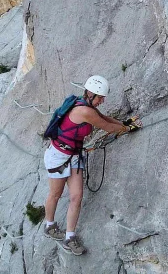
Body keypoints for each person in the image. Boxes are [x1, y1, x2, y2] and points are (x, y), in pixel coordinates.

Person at [42, 75, 142, 255]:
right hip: (58, 157)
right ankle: (49, 226)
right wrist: (128, 129)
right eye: (100, 97)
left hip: (73, 156)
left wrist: (125, 123)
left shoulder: (86, 105)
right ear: (90, 94)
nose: (102, 101)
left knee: (76, 196)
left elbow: (106, 118)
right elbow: (106, 127)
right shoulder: (84, 111)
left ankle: (69, 237)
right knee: (56, 194)